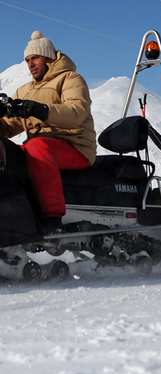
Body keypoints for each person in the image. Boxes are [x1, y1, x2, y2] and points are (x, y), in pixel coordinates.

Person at [0, 31, 96, 235]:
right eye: (27, 59)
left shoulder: (70, 79)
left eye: (35, 57)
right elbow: (9, 126)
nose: (30, 63)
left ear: (49, 57)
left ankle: (52, 220)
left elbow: (76, 113)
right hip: (41, 147)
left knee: (36, 146)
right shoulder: (24, 90)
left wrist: (40, 110)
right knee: (7, 152)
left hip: (75, 146)